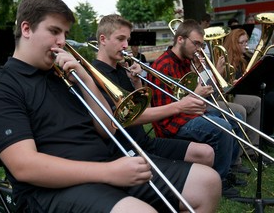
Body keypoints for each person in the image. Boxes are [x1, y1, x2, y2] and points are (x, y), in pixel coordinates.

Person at [0, 0, 221, 212]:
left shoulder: (63, 73)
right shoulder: (1, 88)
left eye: (65, 33)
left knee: (206, 183)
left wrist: (86, 78)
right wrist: (110, 173)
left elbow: (108, 127)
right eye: (54, 31)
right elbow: (25, 167)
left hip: (104, 166)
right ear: (26, 29)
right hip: (50, 191)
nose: (63, 42)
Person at [93, 14, 215, 167]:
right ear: (103, 40)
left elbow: (147, 111)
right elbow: (124, 120)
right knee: (205, 177)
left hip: (145, 142)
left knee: (206, 153)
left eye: (127, 40)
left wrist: (137, 82)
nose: (126, 45)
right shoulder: (95, 74)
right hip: (127, 152)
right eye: (120, 39)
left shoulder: (121, 70)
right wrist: (179, 106)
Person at [147, 19, 245, 198]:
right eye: (196, 43)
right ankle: (220, 180)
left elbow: (196, 96)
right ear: (180, 40)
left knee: (236, 117)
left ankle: (229, 169)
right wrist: (195, 95)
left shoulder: (187, 61)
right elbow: (166, 110)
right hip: (173, 123)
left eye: (201, 44)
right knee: (223, 128)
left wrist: (211, 77)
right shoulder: (162, 66)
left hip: (190, 113)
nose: (199, 49)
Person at [222, 28, 261, 156]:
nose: (246, 45)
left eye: (246, 41)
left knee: (257, 101)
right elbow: (221, 85)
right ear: (234, 44)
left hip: (236, 94)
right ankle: (241, 152)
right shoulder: (224, 59)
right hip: (225, 97)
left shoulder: (244, 58)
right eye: (242, 42)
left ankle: (252, 147)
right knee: (244, 107)